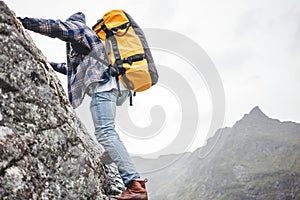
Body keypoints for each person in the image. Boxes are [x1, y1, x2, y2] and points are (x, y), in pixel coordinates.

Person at [18, 12, 148, 200]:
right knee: (107, 131)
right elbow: (72, 69)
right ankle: (112, 152)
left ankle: (136, 187)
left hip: (105, 87)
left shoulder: (80, 29)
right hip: (115, 88)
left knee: (105, 132)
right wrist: (48, 64)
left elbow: (56, 28)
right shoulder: (88, 44)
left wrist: (22, 22)